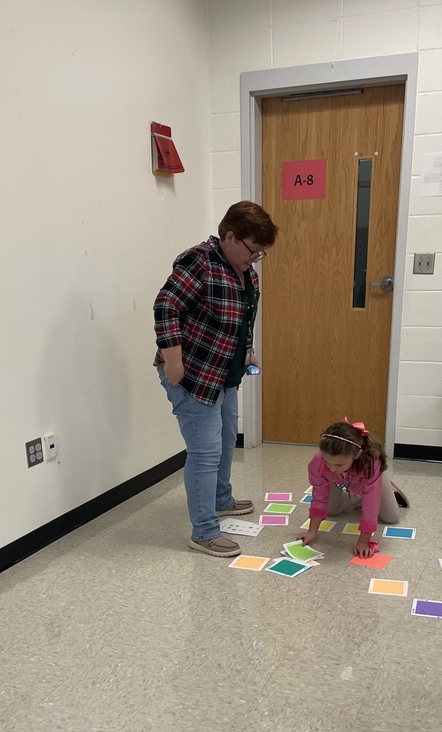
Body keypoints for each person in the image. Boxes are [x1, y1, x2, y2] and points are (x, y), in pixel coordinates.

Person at [154, 201, 279, 557]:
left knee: (226, 438)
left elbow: (243, 317)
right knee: (205, 451)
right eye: (252, 250)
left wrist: (248, 351)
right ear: (230, 237)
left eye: (261, 253)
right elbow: (165, 306)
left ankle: (221, 499)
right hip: (193, 374)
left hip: (224, 372)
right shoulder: (200, 262)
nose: (255, 259)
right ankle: (204, 532)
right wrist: (173, 361)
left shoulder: (245, 271)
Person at [298, 418, 409, 558]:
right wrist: (312, 532)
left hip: (370, 480)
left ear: (356, 454)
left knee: (391, 517)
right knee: (331, 510)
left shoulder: (371, 463)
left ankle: (387, 486)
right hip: (339, 481)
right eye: (327, 463)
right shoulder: (318, 461)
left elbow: (371, 502)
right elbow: (319, 495)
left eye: (338, 464)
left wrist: (363, 541)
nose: (331, 468)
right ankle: (357, 496)